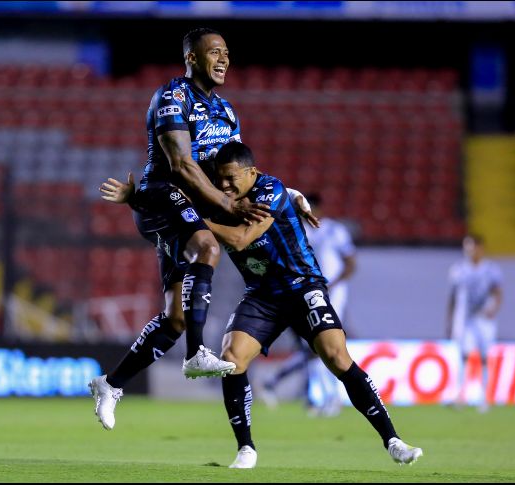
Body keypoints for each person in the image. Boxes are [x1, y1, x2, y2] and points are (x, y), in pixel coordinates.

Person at [87, 27, 276, 431]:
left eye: (227, 52)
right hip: (161, 196)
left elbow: (236, 172)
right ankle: (196, 354)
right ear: (192, 57)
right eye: (214, 52)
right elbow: (181, 166)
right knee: (207, 247)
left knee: (173, 318)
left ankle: (110, 384)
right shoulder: (173, 96)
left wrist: (283, 195)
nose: (224, 59)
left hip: (190, 211)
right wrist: (227, 204)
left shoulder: (227, 112)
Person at [203, 142, 422, 469]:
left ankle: (393, 440)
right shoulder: (221, 197)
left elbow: (240, 239)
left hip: (302, 286)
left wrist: (194, 221)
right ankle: (245, 449)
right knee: (232, 359)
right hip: (262, 294)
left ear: (252, 172)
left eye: (231, 178)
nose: (224, 185)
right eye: (219, 179)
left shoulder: (270, 190)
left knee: (336, 357)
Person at [261, 193, 357, 416]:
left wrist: (332, 285)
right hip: (304, 293)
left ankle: (323, 397)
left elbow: (351, 263)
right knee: (312, 348)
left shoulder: (334, 231)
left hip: (332, 296)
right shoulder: (295, 232)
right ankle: (321, 398)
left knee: (327, 347)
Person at [447, 234, 502, 413]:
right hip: (464, 319)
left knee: (485, 358)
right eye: (466, 247)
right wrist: (449, 320)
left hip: (483, 320)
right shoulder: (458, 270)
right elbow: (453, 297)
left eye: (472, 247)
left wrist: (493, 309)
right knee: (464, 356)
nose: (469, 251)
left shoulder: (491, 270)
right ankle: (459, 396)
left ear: (480, 248)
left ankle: (484, 398)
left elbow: (497, 292)